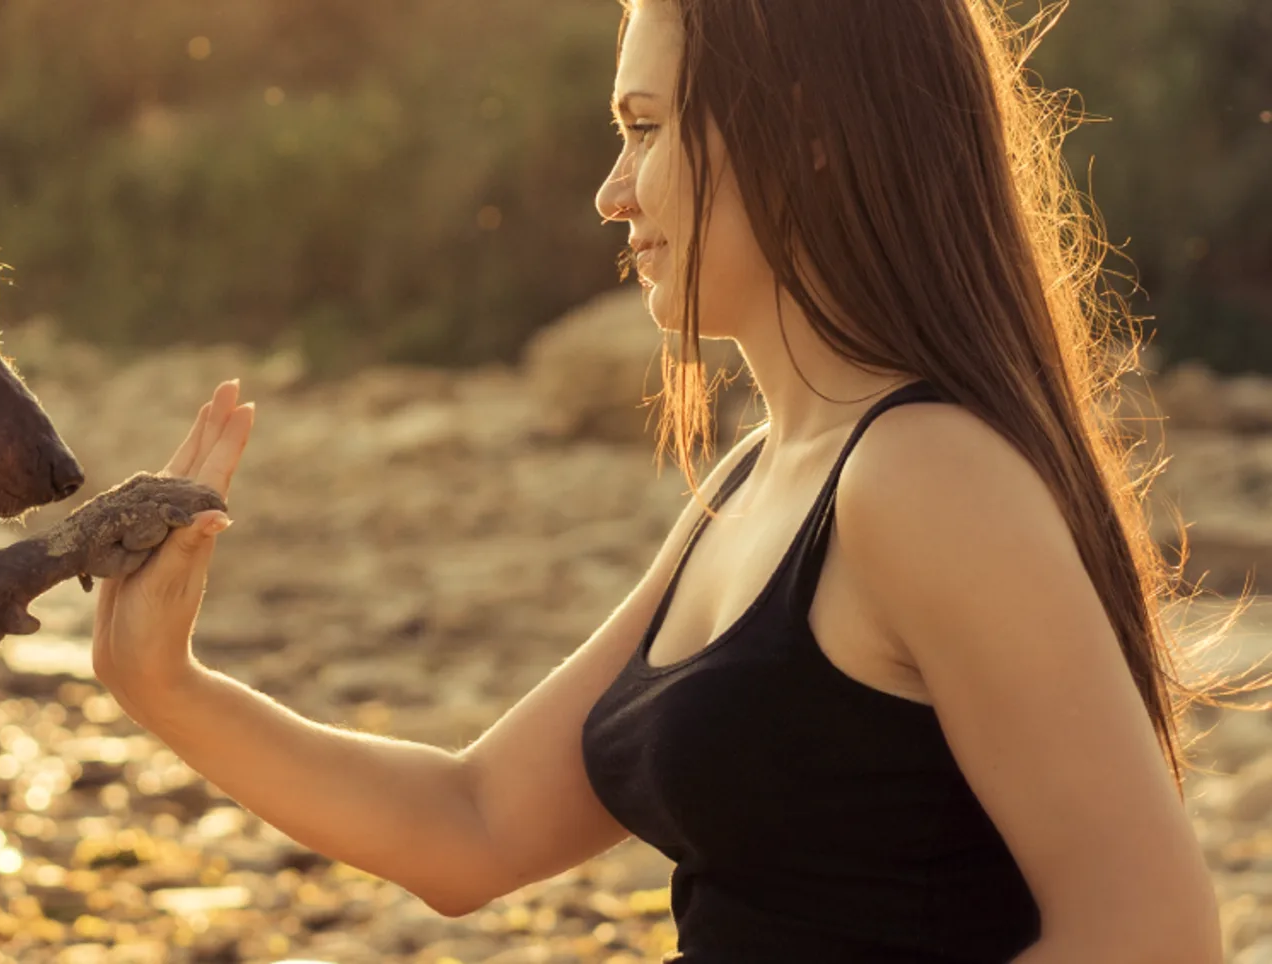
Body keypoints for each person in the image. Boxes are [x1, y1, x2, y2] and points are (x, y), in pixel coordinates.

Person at [85, 0, 1229, 961]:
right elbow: (469, 825)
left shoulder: (924, 479)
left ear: (805, 132)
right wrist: (166, 687)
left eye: (643, 127)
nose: (611, 193)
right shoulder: (757, 483)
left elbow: (1150, 933)